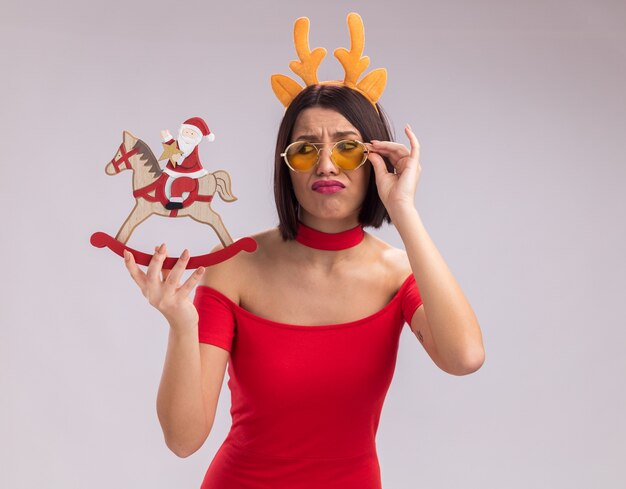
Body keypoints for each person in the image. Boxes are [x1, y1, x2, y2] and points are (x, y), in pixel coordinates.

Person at [123, 13, 485, 489]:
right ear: (287, 167)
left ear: (376, 158)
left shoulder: (397, 275)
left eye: (349, 148)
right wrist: (181, 323)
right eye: (305, 149)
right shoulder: (236, 265)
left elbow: (464, 357)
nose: (327, 164)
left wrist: (404, 211)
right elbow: (184, 439)